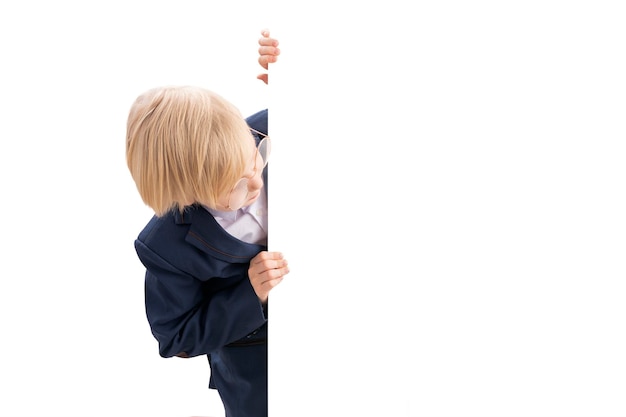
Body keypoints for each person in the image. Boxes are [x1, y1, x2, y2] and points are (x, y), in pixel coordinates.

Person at [125, 30, 285, 417]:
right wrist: (250, 293)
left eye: (256, 160)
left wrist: (295, 80)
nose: (256, 184)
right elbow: (175, 337)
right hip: (259, 371)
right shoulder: (166, 246)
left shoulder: (269, 128)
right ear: (186, 194)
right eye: (235, 188)